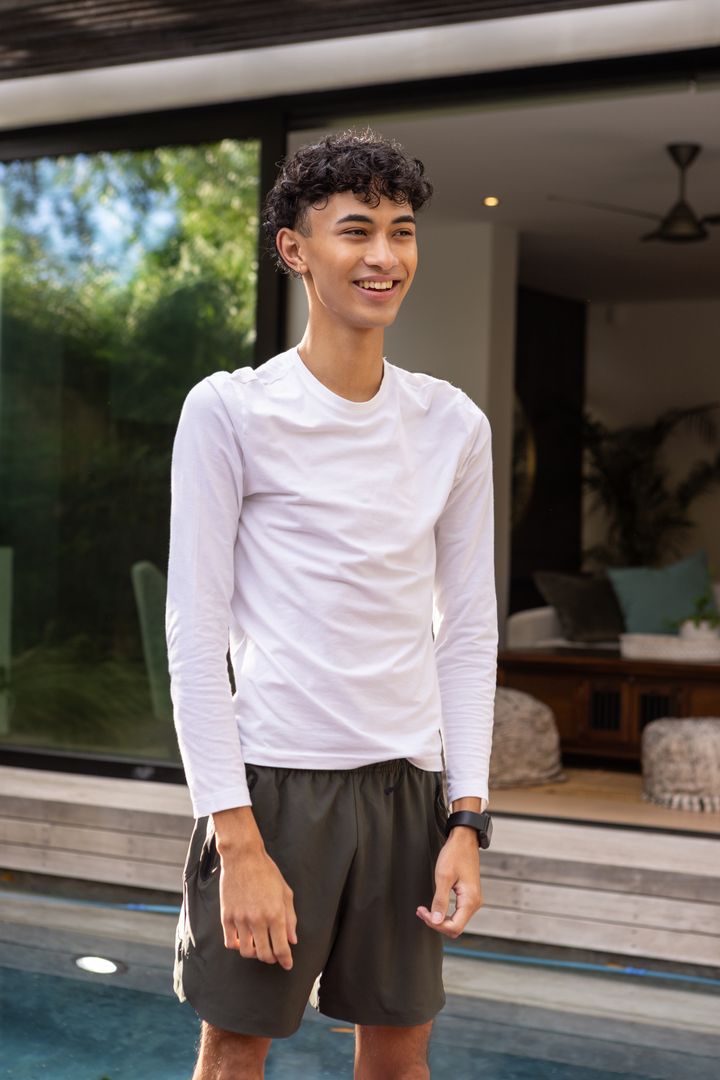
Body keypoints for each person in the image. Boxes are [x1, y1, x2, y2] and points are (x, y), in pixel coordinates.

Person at [165, 128, 498, 1080]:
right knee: (235, 1054)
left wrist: (466, 821)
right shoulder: (229, 410)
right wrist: (237, 839)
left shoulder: (452, 426)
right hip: (274, 788)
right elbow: (194, 634)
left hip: (408, 791)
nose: (384, 257)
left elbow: (467, 631)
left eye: (402, 231)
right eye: (356, 231)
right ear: (295, 249)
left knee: (399, 1057)